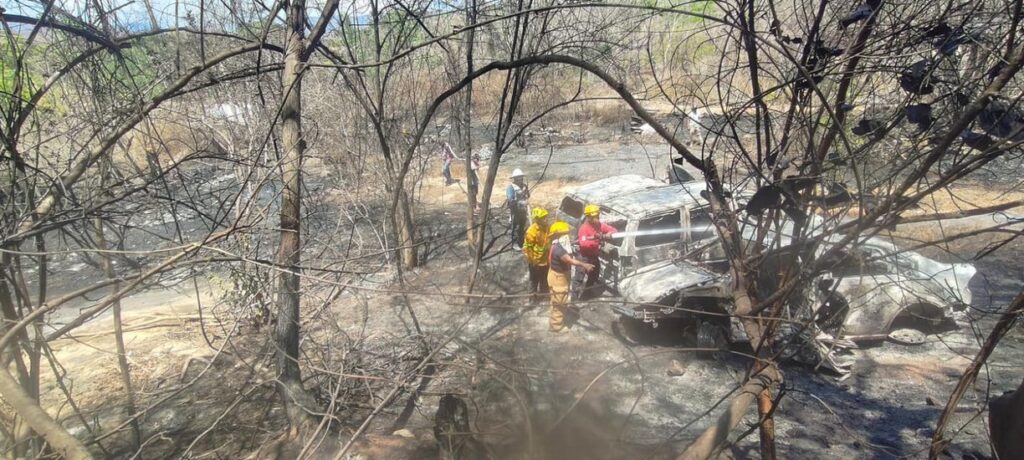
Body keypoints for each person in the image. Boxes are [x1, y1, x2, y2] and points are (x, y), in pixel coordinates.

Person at [547, 221, 595, 332]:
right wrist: (585, 265)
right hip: (559, 279)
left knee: (556, 300)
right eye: (564, 234)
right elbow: (570, 260)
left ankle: (555, 318)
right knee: (560, 302)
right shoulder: (559, 250)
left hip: (555, 275)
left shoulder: (555, 245)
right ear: (558, 235)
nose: (567, 236)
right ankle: (556, 326)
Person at [574, 204, 617, 300]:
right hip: (583, 256)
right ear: (588, 217)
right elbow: (584, 244)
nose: (597, 218)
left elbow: (614, 230)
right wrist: (598, 242)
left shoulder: (600, 225)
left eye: (597, 216)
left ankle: (586, 294)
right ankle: (574, 300)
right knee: (579, 279)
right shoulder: (584, 229)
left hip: (594, 256)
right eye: (594, 216)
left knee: (594, 275)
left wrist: (609, 234)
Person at [522, 207, 550, 303]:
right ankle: (532, 299)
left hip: (545, 260)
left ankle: (544, 295)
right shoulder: (531, 232)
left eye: (546, 217)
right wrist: (532, 261)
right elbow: (527, 248)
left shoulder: (546, 227)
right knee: (534, 280)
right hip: (535, 262)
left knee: (544, 279)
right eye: (543, 217)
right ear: (537, 219)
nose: (546, 219)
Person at [506, 169, 530, 249]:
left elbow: (528, 195)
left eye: (521, 177)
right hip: (515, 210)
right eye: (518, 177)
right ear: (515, 178)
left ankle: (520, 240)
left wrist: (526, 196)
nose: (520, 179)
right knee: (515, 226)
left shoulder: (524, 186)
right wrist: (521, 203)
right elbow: (511, 200)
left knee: (522, 225)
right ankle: (515, 243)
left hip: (523, 210)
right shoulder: (510, 187)